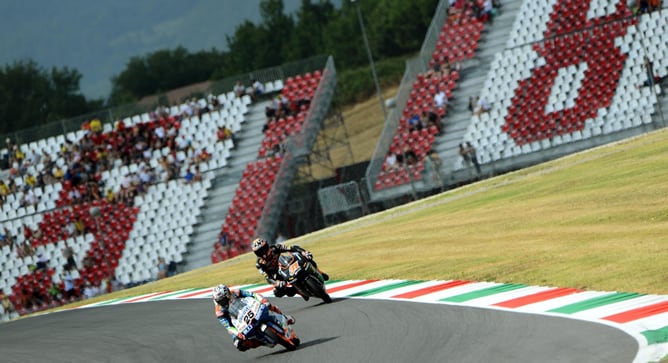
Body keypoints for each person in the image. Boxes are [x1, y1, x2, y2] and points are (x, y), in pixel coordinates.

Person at [212, 284, 294, 352]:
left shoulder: (236, 292)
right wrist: (237, 334)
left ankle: (284, 317)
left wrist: (263, 300)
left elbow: (252, 295)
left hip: (248, 307)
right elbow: (228, 326)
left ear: (228, 294)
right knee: (239, 344)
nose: (222, 302)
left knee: (268, 305)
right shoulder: (219, 311)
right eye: (220, 301)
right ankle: (261, 342)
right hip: (238, 320)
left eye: (223, 300)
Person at [251, 237, 328, 301]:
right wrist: (276, 282)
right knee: (278, 292)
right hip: (278, 275)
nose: (263, 253)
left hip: (286, 264)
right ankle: (299, 291)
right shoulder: (259, 264)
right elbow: (267, 277)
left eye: (264, 249)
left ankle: (319, 272)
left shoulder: (275, 248)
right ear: (256, 254)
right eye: (259, 252)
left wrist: (304, 252)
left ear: (267, 246)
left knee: (307, 258)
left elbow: (292, 248)